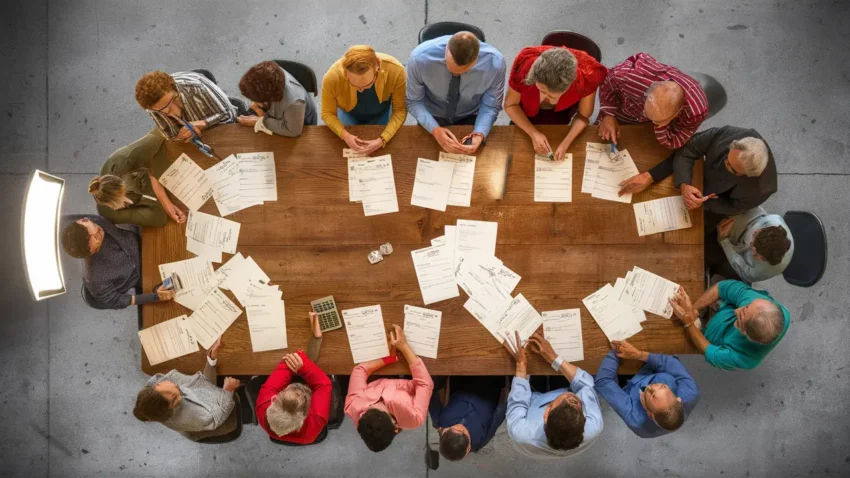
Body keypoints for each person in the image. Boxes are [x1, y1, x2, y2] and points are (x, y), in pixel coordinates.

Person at [617, 126, 777, 222]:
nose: (724, 163)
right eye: (727, 157)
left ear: (747, 176)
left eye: (732, 168)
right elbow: (690, 148)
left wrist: (703, 202)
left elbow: (732, 207)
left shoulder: (761, 189)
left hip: (709, 203)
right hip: (690, 176)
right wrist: (685, 184)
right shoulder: (731, 134)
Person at [504, 331, 603, 458]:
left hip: (532, 401)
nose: (574, 398)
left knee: (532, 370)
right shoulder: (593, 425)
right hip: (564, 388)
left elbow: (518, 402)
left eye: (567, 402)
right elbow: (586, 385)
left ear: (546, 414)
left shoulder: (521, 432)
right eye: (577, 406)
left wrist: (521, 365)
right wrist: (552, 357)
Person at [406, 32, 506, 154]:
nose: (455, 75)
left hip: (470, 115)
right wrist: (434, 129)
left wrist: (479, 133)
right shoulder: (419, 59)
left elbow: (491, 105)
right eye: (450, 69)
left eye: (464, 72)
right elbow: (414, 101)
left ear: (476, 60)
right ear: (447, 49)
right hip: (431, 115)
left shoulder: (495, 64)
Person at [504, 46, 607, 161]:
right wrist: (533, 133)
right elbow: (510, 105)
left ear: (569, 87)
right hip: (523, 114)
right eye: (542, 91)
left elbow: (583, 116)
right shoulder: (525, 66)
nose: (547, 99)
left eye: (553, 96)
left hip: (560, 116)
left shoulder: (587, 76)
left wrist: (565, 143)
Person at [345, 325, 434, 452]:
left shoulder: (353, 406)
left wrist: (389, 358)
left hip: (381, 373)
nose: (380, 402)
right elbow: (425, 383)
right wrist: (404, 347)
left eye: (372, 406)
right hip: (410, 376)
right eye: (385, 409)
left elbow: (360, 370)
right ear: (395, 426)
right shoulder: (414, 418)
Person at [133, 338, 241, 441]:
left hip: (209, 400)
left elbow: (204, 386)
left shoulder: (160, 381)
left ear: (156, 385)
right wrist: (227, 391)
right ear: (172, 407)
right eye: (175, 396)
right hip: (222, 418)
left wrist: (211, 359)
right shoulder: (198, 418)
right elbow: (219, 414)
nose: (177, 388)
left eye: (175, 386)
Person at [670, 282, 790, 371]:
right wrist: (694, 310)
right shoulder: (763, 307)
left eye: (741, 315)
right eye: (747, 306)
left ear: (744, 332)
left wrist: (689, 323)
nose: (737, 309)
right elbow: (723, 287)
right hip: (718, 309)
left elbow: (708, 351)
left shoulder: (744, 359)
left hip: (707, 335)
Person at [598, 52, 708, 150]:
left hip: (652, 132)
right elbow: (607, 80)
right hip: (622, 111)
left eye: (657, 120)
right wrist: (608, 114)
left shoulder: (696, 112)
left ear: (677, 113)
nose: (644, 116)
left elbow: (677, 139)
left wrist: (660, 128)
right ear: (646, 94)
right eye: (646, 112)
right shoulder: (628, 76)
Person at [61, 215, 174, 309]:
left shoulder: (94, 221)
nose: (100, 233)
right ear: (90, 251)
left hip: (143, 242)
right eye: (96, 236)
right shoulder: (95, 278)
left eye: (88, 222)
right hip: (145, 276)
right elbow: (115, 301)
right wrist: (155, 296)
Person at [594, 340, 700, 438]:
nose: (650, 387)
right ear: (678, 400)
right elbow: (670, 362)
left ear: (650, 414)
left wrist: (616, 349)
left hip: (629, 385)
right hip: (651, 364)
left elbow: (603, 382)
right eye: (663, 386)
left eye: (652, 395)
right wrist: (639, 355)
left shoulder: (635, 419)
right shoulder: (690, 392)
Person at [256, 312, 332, 445]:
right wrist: (315, 341)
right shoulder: (316, 420)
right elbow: (323, 384)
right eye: (300, 396)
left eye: (284, 394)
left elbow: (288, 361)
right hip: (310, 387)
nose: (297, 390)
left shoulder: (263, 408)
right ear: (305, 417)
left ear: (273, 400)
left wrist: (315, 340)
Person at [321, 45, 407, 155]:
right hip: (348, 114)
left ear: (378, 66)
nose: (361, 90)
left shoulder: (396, 71)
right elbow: (327, 113)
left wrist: (382, 139)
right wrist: (345, 135)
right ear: (345, 72)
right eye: (355, 85)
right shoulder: (331, 78)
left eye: (367, 85)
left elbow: (400, 110)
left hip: (381, 114)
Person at [89, 133, 186, 227]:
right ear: (115, 205)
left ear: (120, 177)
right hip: (164, 189)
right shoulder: (111, 214)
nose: (130, 190)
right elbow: (159, 218)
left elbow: (158, 134)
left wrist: (164, 200)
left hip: (171, 165)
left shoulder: (124, 159)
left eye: (127, 185)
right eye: (126, 194)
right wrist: (149, 198)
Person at [135, 70, 237, 141]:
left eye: (174, 100)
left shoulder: (196, 86)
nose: (172, 112)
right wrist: (183, 136)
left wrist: (204, 123)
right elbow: (170, 135)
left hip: (217, 126)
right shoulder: (154, 107)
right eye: (162, 110)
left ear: (174, 88)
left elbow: (229, 115)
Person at [429, 375, 506, 461]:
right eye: (463, 431)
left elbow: (431, 391)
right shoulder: (480, 440)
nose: (460, 426)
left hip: (463, 375)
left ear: (443, 433)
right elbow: (499, 414)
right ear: (468, 448)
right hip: (492, 380)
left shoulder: (439, 422)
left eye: (453, 428)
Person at [708, 207, 794, 283]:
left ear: (763, 259)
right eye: (754, 236)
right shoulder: (773, 219)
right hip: (752, 220)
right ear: (759, 230)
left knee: (710, 254)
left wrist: (724, 240)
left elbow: (742, 270)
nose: (753, 255)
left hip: (740, 258)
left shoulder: (761, 271)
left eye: (756, 254)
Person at [236, 61, 317, 137]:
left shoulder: (295, 102)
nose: (253, 102)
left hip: (300, 123)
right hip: (276, 111)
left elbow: (293, 131)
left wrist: (261, 121)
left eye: (257, 100)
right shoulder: (269, 73)